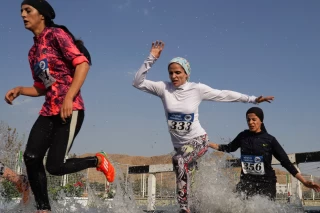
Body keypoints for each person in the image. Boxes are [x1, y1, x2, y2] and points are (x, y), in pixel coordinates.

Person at [132, 40, 274, 213]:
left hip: (199, 141)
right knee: (186, 171)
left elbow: (223, 94)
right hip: (180, 148)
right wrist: (152, 57)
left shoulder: (196, 89)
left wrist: (252, 99)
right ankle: (197, 205)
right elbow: (138, 82)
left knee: (179, 161)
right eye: (171, 73)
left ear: (187, 74)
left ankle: (184, 207)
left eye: (178, 72)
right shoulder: (164, 88)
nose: (174, 76)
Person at [4, 1, 115, 212]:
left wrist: (69, 98)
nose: (23, 15)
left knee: (54, 167)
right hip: (48, 110)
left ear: (42, 15)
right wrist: (19, 89)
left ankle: (97, 160)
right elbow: (42, 87)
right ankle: (43, 209)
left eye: (28, 11)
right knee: (31, 157)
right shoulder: (33, 52)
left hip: (70, 108)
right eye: (21, 12)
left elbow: (82, 64)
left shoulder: (56, 34)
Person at [209, 107, 320, 201]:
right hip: (246, 182)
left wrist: (304, 181)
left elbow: (285, 162)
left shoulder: (269, 140)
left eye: (254, 119)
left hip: (266, 183)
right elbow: (229, 148)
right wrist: (208, 144)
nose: (250, 122)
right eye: (248, 120)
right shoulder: (243, 136)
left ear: (261, 120)